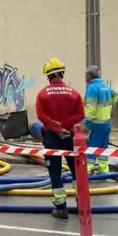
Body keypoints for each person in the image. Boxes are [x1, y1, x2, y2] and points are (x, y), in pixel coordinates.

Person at [35, 57, 85, 220]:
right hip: (71, 137)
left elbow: (41, 116)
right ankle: (81, 205)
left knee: (55, 173)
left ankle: (61, 208)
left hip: (51, 137)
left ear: (48, 76)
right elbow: (80, 115)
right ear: (62, 73)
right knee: (77, 172)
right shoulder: (74, 93)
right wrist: (65, 126)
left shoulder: (42, 94)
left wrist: (56, 128)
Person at [84, 65, 117, 174]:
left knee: (92, 148)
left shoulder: (92, 88)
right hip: (106, 124)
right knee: (103, 147)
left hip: (95, 124)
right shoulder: (105, 86)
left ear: (89, 75)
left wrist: (86, 124)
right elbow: (115, 96)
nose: (84, 78)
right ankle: (103, 170)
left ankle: (87, 171)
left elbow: (90, 107)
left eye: (85, 75)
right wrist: (111, 106)